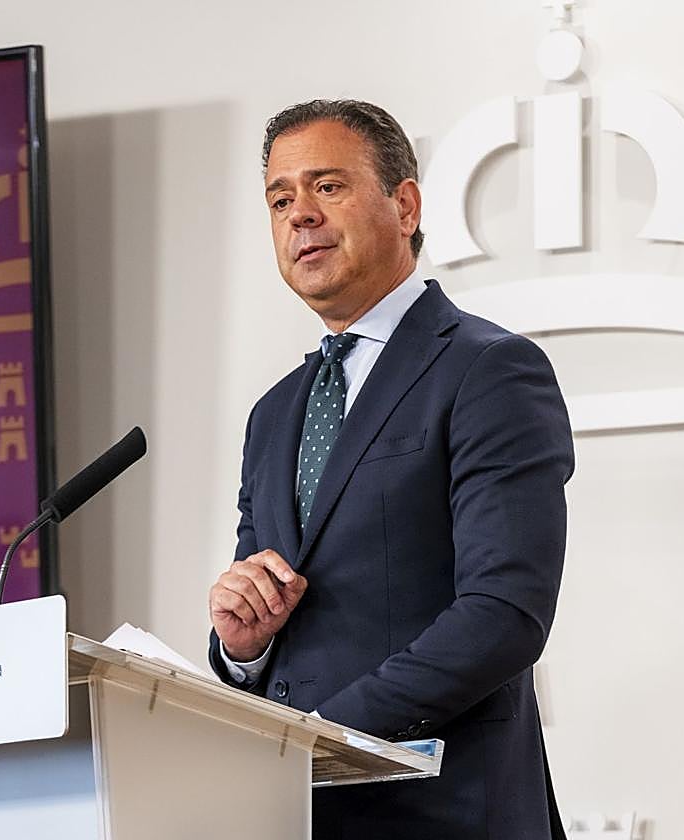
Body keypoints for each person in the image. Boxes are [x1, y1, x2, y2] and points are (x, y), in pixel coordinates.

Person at [206, 99, 575, 838]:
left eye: (327, 187)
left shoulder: (488, 370)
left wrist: (320, 737)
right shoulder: (274, 413)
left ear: (404, 204)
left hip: (449, 810)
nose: (299, 215)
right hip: (300, 812)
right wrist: (240, 645)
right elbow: (269, 601)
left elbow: (505, 613)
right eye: (280, 198)